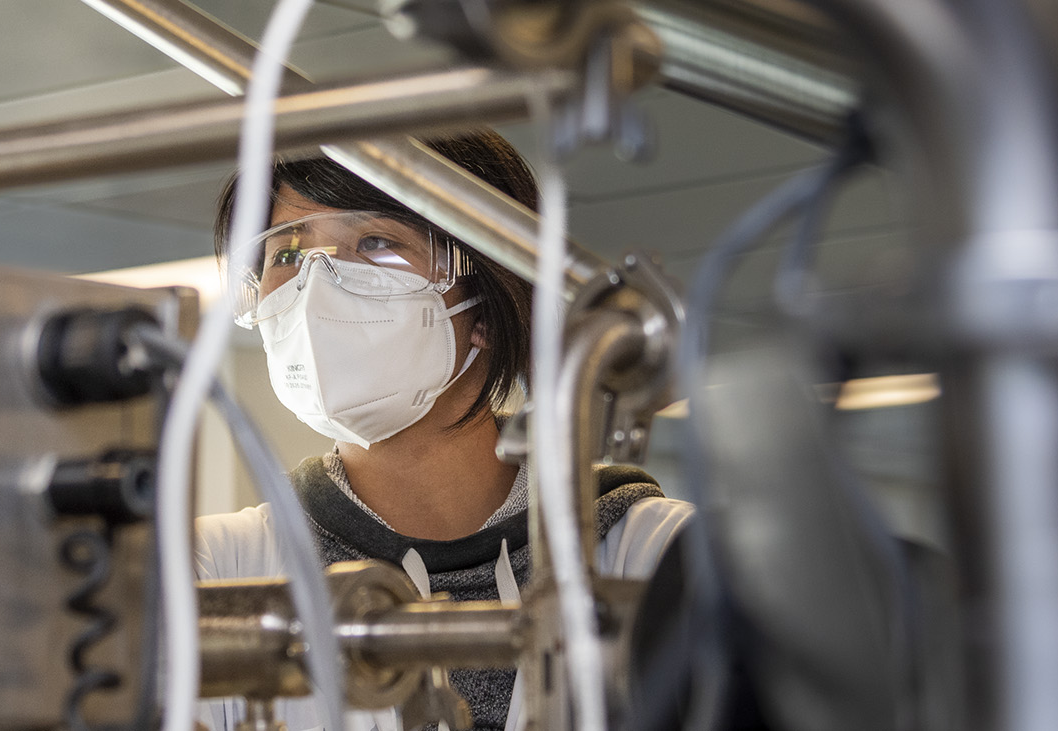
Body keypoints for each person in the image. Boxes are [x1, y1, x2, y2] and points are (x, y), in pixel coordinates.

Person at [194, 129, 694, 731]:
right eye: (287, 254)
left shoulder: (657, 560)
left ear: (485, 306)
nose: (315, 288)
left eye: (376, 242)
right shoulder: (219, 575)